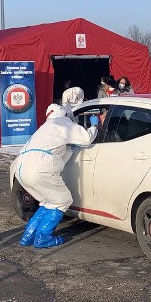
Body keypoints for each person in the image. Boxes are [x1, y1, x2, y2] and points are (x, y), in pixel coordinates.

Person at [15, 103, 102, 248]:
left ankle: (28, 235)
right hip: (39, 168)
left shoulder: (45, 127)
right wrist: (94, 127)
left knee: (49, 201)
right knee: (62, 200)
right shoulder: (62, 122)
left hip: (21, 167)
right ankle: (43, 238)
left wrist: (69, 148)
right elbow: (86, 138)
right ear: (63, 113)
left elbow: (57, 149)